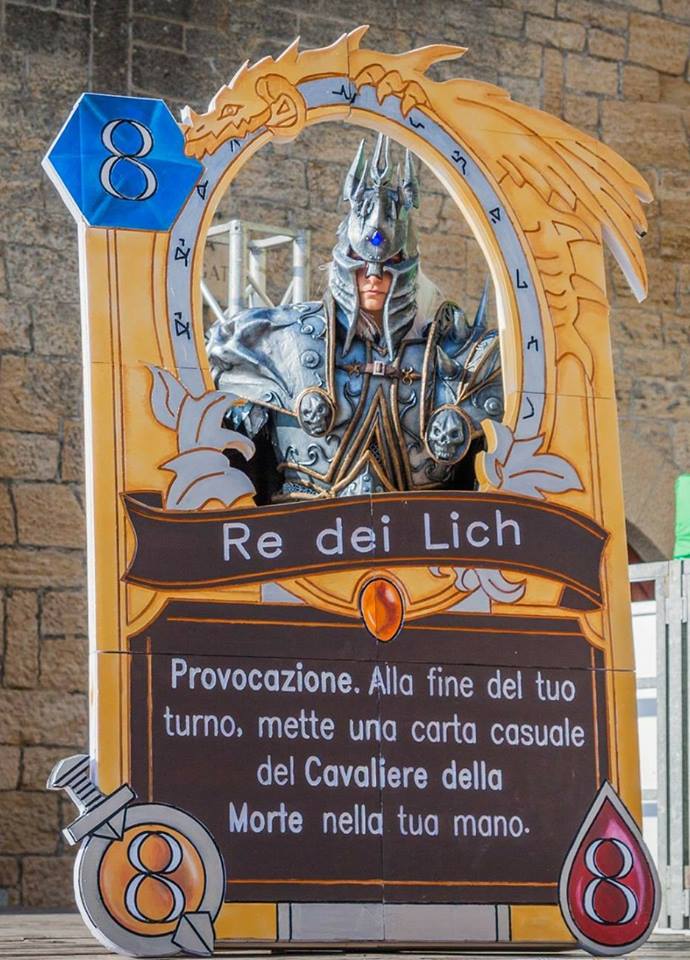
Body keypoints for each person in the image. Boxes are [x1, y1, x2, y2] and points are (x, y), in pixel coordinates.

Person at [206, 134, 503, 502]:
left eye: (389, 265)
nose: (373, 277)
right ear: (344, 265)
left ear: (408, 269)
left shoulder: (451, 356)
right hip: (298, 525)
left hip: (419, 530)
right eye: (361, 265)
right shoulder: (289, 339)